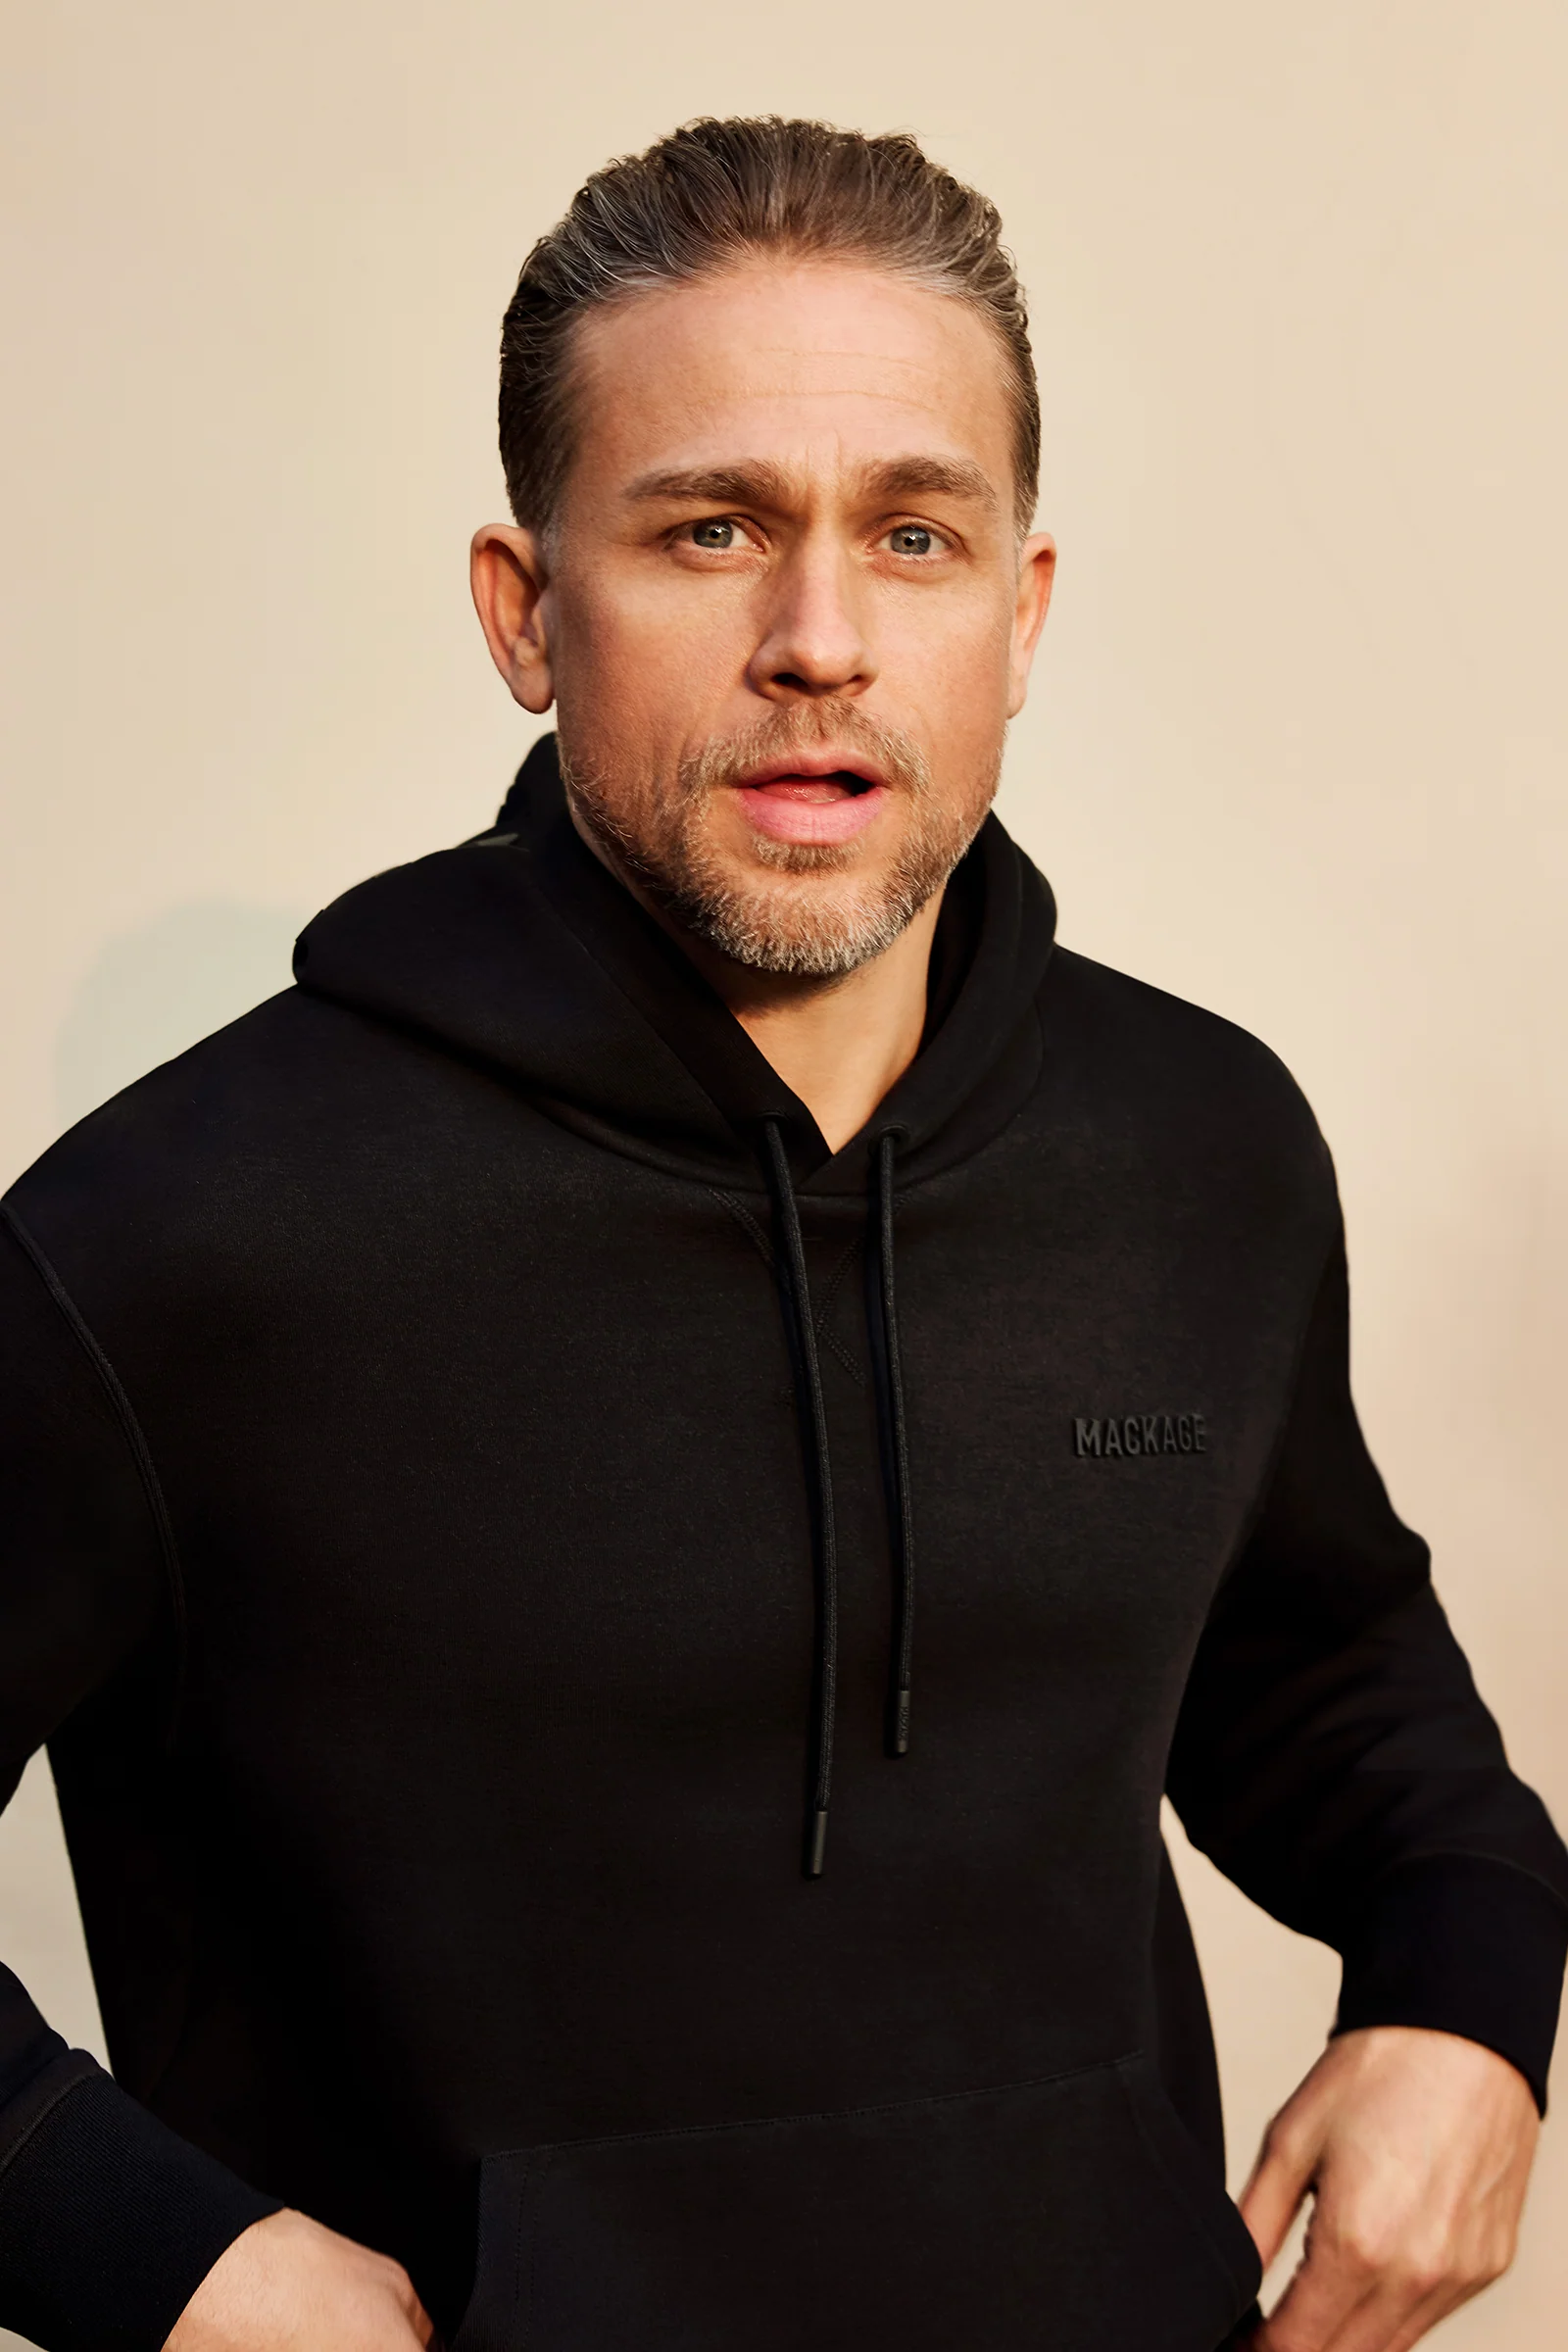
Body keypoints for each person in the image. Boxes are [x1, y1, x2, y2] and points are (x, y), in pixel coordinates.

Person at [0, 116, 1562, 2352]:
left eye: (912, 536)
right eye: (710, 528)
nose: (819, 640)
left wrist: (1468, 1990)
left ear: (1019, 614)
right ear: (525, 611)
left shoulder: (1195, 1148)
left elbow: (1318, 1666)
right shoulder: (174, 1240)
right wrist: (169, 2266)